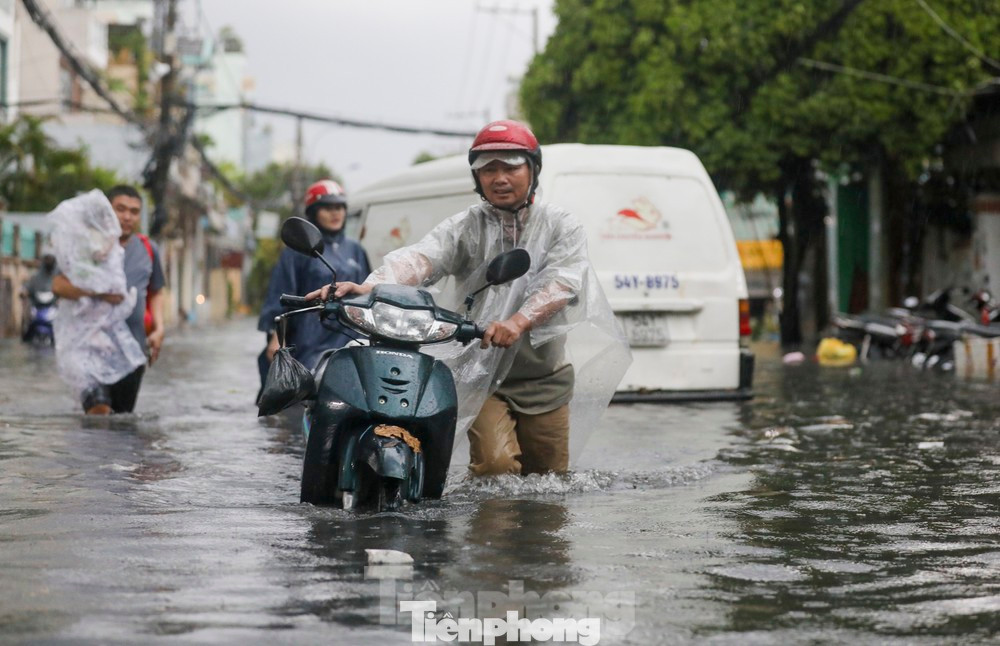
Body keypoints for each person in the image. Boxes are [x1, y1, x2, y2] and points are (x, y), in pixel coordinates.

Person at [307, 120, 629, 477]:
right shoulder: (466, 226)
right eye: (488, 169)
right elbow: (423, 258)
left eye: (510, 167)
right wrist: (371, 286)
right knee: (495, 467)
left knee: (548, 480)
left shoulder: (561, 225)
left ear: (533, 170)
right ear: (477, 177)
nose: (499, 178)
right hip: (481, 371)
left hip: (544, 376)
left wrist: (517, 322)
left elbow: (563, 282)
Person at [51, 185, 166, 414]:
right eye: (120, 209)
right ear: (107, 210)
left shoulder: (148, 248)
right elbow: (58, 286)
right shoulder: (87, 246)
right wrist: (98, 292)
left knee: (122, 421)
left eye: (134, 211)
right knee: (99, 414)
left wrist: (159, 328)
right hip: (89, 350)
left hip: (132, 351)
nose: (127, 216)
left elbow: (157, 291)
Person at [257, 180, 371, 384]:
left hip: (350, 336)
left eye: (339, 207)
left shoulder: (356, 250)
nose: (335, 213)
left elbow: (369, 295)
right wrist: (276, 338)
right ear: (313, 212)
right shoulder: (297, 250)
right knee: (302, 392)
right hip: (309, 338)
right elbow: (280, 293)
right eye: (327, 208)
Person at [21, 252, 59, 342]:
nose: (48, 262)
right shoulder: (36, 277)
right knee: (28, 327)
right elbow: (28, 286)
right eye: (46, 259)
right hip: (37, 306)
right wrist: (24, 292)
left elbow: (64, 289)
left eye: (50, 259)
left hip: (52, 307)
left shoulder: (58, 276)